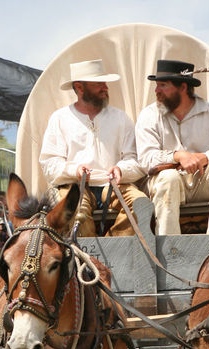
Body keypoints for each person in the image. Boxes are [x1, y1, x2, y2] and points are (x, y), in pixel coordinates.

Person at [39, 59, 145, 237]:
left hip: (114, 185)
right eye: (99, 83)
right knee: (76, 211)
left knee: (141, 205)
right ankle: (89, 260)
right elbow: (49, 164)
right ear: (80, 87)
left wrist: (121, 169)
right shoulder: (60, 118)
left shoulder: (120, 118)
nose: (105, 87)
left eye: (105, 83)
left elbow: (135, 160)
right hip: (76, 186)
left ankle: (114, 251)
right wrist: (75, 170)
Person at [135, 59, 209, 235]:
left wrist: (204, 157)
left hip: (201, 181)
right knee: (168, 177)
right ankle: (169, 248)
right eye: (157, 85)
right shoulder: (149, 115)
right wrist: (178, 156)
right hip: (166, 183)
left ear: (183, 87)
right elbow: (146, 159)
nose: (156, 91)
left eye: (163, 85)